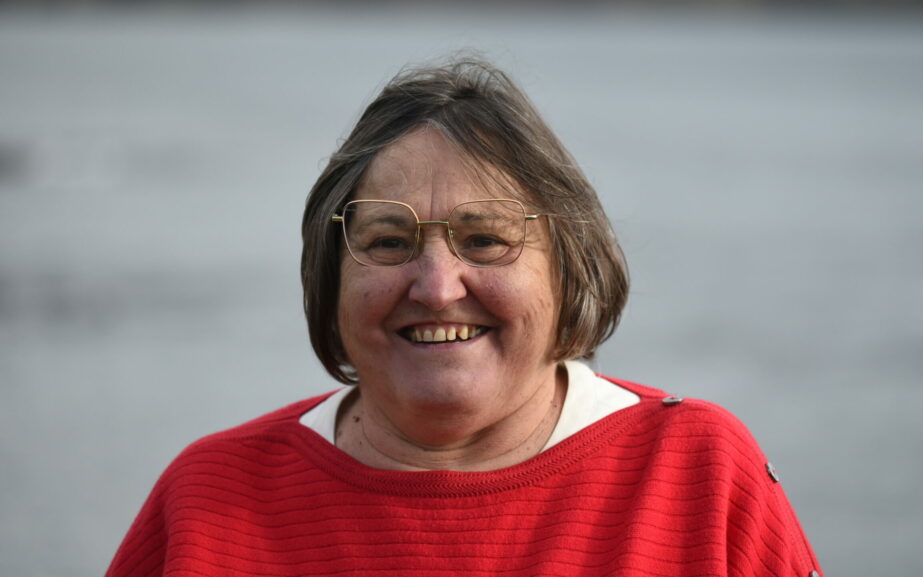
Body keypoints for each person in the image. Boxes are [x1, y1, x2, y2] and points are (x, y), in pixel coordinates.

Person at [106, 57, 823, 577]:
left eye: (484, 238)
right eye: (388, 241)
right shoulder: (210, 496)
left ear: (568, 265)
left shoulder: (697, 474)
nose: (436, 286)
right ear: (331, 273)